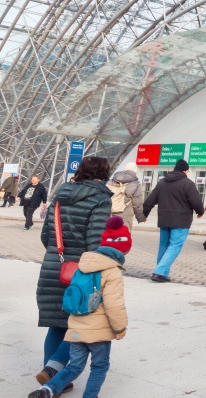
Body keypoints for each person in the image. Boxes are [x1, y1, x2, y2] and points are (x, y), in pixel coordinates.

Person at [34, 156, 113, 394]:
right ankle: (54, 371)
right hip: (81, 272)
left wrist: (58, 254)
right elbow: (95, 243)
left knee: (57, 324)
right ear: (103, 173)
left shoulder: (61, 194)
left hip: (54, 266)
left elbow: (46, 235)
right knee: (81, 323)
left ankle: (53, 381)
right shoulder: (100, 198)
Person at [30, 216, 131, 398]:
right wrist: (120, 328)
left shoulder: (82, 266)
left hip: (76, 328)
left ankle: (47, 389)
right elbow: (113, 305)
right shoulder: (112, 271)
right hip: (98, 332)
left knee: (74, 366)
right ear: (124, 250)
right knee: (99, 366)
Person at [141, 159, 204, 282]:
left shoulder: (162, 182)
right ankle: (159, 271)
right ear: (185, 171)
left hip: (164, 220)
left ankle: (163, 274)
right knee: (175, 245)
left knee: (164, 246)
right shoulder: (188, 184)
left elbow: (150, 200)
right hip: (181, 221)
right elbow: (196, 201)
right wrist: (200, 212)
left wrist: (144, 214)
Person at [107, 162, 146, 228]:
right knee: (123, 233)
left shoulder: (111, 181)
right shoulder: (136, 184)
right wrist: (141, 217)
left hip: (109, 212)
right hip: (125, 214)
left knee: (110, 232)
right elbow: (137, 203)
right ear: (135, 171)